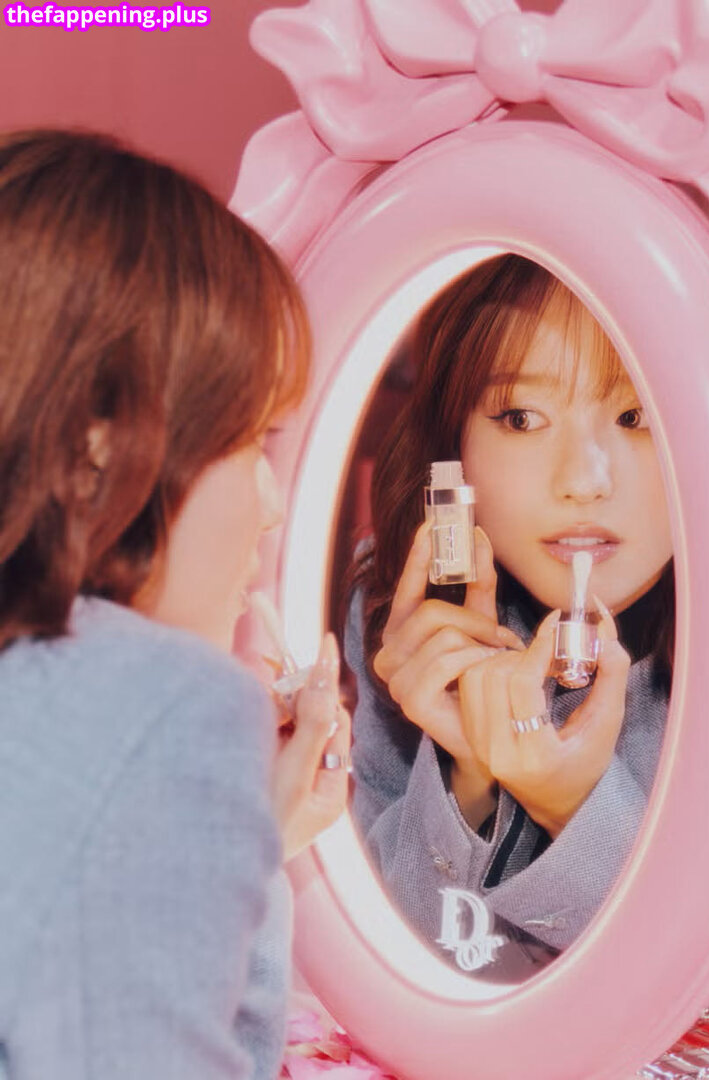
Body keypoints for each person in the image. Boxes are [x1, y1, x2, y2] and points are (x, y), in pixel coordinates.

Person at [0, 130, 349, 1079]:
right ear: (100, 448)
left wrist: (238, 840)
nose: (271, 508)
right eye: (253, 442)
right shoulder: (164, 705)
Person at [346, 254, 673, 980]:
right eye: (521, 418)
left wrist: (573, 803)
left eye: (636, 416)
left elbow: (688, 960)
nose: (583, 481)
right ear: (453, 447)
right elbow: (385, 978)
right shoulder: (404, 615)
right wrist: (466, 778)